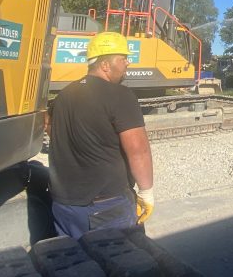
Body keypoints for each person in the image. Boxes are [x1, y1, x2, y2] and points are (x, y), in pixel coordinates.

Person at [48, 31, 154, 238]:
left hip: (64, 206)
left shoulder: (64, 94)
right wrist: (146, 192)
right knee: (121, 257)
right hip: (106, 206)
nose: (128, 63)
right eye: (123, 58)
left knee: (74, 257)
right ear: (105, 65)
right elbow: (138, 150)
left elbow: (50, 129)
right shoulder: (120, 95)